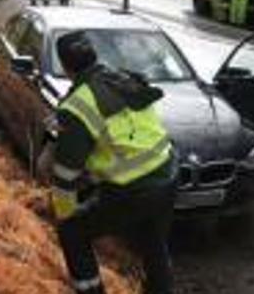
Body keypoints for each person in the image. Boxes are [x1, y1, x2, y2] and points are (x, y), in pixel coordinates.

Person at [51, 31, 177, 294]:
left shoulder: (76, 106)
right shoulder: (124, 78)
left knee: (73, 233)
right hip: (168, 174)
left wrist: (64, 214)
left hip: (133, 190)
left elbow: (65, 176)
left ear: (64, 67)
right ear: (94, 56)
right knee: (153, 241)